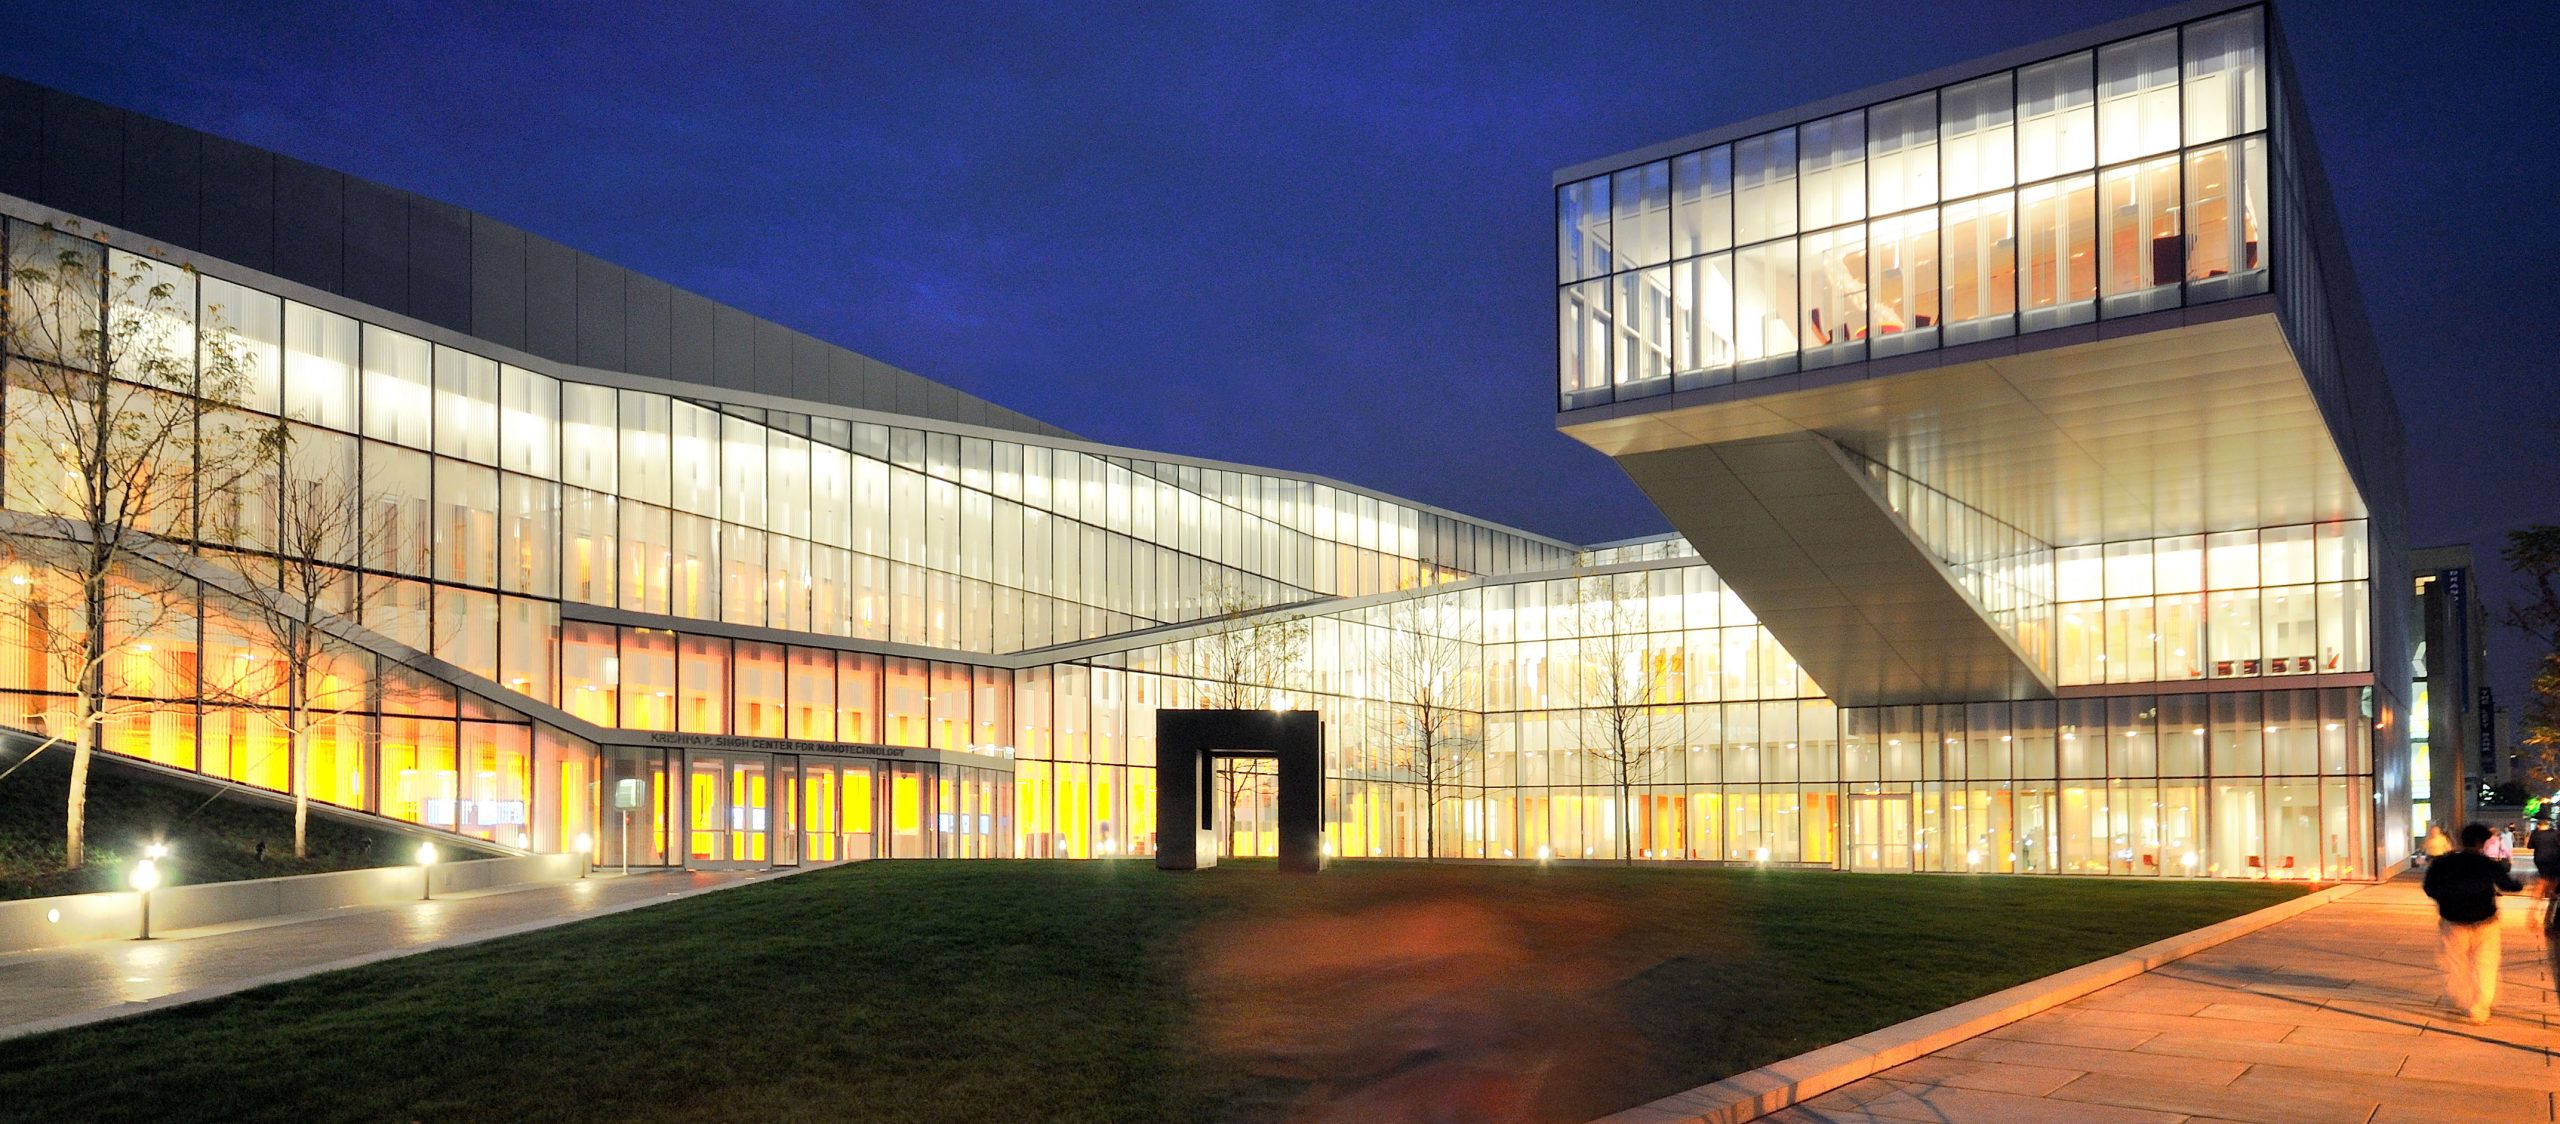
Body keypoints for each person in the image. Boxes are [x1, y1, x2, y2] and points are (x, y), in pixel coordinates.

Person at [2423, 823, 2523, 1024]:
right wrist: (2520, 883)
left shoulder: (2444, 863)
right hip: (2485, 920)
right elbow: (2509, 885)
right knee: (2486, 964)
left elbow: (2429, 887)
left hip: (2453, 921)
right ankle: (2480, 1007)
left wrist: (2446, 900)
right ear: (2481, 842)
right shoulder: (2486, 863)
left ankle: (2463, 1000)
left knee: (2456, 963)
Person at [2531, 818, 2560, 895]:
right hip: (2553, 859)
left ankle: (2542, 894)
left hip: (2539, 859)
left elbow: (2530, 846)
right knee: (2554, 877)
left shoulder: (2535, 834)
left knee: (2543, 877)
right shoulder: (2555, 833)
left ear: (2538, 826)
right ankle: (2549, 892)